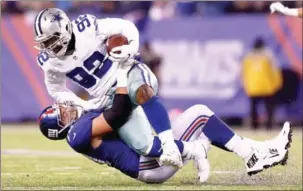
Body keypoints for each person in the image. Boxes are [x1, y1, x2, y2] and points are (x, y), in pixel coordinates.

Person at [34, 8, 182, 168]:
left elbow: (125, 26)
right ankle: (194, 148)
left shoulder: (87, 27)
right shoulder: (49, 62)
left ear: (64, 29)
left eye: (51, 40)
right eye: (45, 43)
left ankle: (169, 146)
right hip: (107, 97)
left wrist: (131, 47)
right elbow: (56, 90)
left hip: (125, 73)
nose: (49, 47)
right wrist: (84, 105)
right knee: (143, 146)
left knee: (142, 91)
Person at [38, 95, 292, 181]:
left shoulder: (81, 124)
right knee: (200, 115)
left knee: (199, 118)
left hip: (147, 158)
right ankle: (252, 154)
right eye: (62, 114)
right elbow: (116, 115)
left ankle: (259, 151)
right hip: (149, 162)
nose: (67, 109)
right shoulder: (76, 133)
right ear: (60, 128)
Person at [242, 37, 282, 130]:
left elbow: (243, 73)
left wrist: (246, 85)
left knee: (254, 109)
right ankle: (269, 126)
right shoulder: (268, 56)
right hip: (267, 87)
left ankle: (254, 126)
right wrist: (277, 84)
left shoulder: (248, 57)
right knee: (269, 108)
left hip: (253, 87)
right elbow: (274, 71)